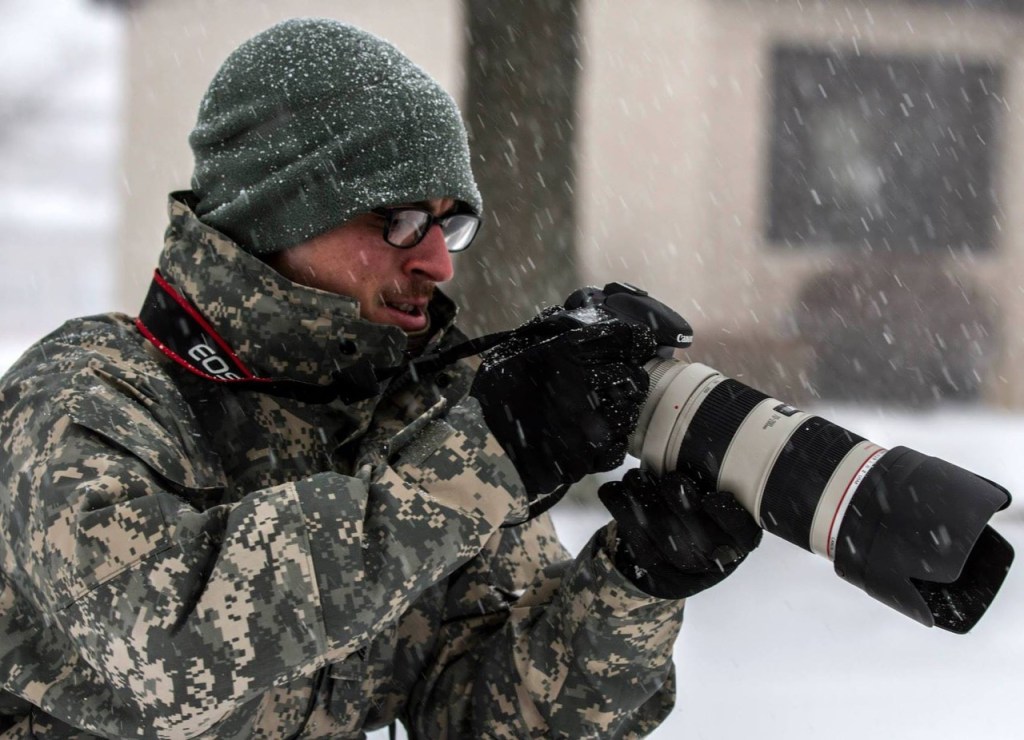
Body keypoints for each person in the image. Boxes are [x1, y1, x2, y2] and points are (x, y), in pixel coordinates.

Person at [0, 18, 760, 739]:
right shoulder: (84, 399)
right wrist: (483, 457)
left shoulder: (416, 417)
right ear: (277, 216)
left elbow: (485, 714)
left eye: (449, 224)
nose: (439, 263)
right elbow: (166, 658)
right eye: (400, 221)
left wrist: (634, 586)